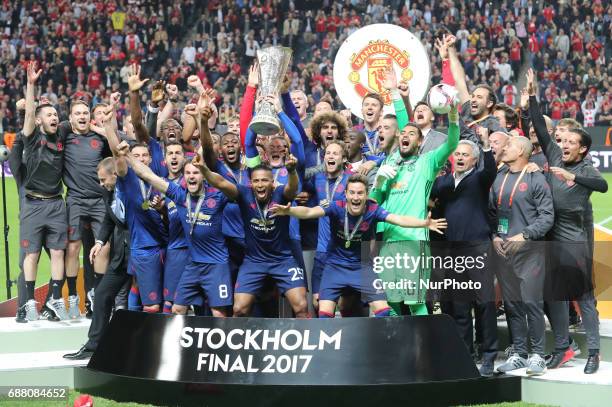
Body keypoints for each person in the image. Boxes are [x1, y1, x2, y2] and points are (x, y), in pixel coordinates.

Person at [271, 174, 447, 318]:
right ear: (346, 194)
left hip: (361, 267)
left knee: (384, 312)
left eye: (360, 193)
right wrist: (289, 211)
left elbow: (399, 219)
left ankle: (386, 352)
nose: (356, 197)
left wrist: (424, 223)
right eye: (352, 193)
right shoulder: (336, 207)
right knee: (323, 314)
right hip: (334, 266)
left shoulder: (373, 209)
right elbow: (309, 212)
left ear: (366, 194)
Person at [526, 69, 608, 374]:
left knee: (583, 298)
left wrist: (572, 176)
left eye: (571, 142)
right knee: (553, 295)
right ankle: (562, 347)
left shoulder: (587, 169)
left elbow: (603, 187)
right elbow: (538, 127)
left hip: (573, 243)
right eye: (564, 141)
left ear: (583, 148)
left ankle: (594, 353)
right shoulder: (554, 155)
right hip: (550, 241)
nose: (564, 144)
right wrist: (533, 96)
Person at [370, 95, 460, 316]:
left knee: (414, 302)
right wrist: (378, 182)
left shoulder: (427, 162)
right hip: (389, 241)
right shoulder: (390, 163)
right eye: (403, 133)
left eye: (412, 134)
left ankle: (422, 350)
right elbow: (373, 203)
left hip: (414, 241)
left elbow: (452, 143)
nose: (405, 136)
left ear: (420, 142)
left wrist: (453, 114)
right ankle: (395, 348)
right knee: (390, 303)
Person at [432, 130, 498, 377]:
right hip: (453, 250)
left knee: (484, 304)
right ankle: (465, 354)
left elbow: (491, 170)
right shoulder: (445, 182)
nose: (459, 157)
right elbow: (430, 194)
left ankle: (489, 355)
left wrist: (485, 145)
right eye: (457, 154)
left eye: (465, 155)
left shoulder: (480, 179)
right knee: (459, 306)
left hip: (478, 248)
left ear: (474, 160)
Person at [491, 135, 554, 376]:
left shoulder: (534, 178)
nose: (504, 148)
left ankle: (538, 356)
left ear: (522, 152)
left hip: (530, 252)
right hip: (503, 250)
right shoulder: (499, 176)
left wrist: (524, 236)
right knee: (512, 305)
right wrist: (495, 236)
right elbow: (492, 212)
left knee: (531, 303)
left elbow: (547, 217)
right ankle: (519, 353)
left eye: (509, 146)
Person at [63, 156, 130, 360]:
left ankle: (137, 349)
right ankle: (94, 345)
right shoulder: (107, 192)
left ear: (115, 175)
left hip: (143, 254)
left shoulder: (131, 189)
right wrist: (100, 242)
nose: (100, 184)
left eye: (103, 180)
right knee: (101, 294)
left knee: (145, 303)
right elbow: (110, 220)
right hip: (121, 255)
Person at [19, 62, 69, 321]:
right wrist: (31, 84)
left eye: (55, 115)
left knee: (59, 252)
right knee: (32, 254)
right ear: (39, 120)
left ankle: (56, 299)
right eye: (48, 115)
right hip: (33, 204)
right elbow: (28, 115)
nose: (54, 118)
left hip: (56, 204)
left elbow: (79, 122)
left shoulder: (60, 136)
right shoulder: (32, 137)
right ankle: (29, 302)